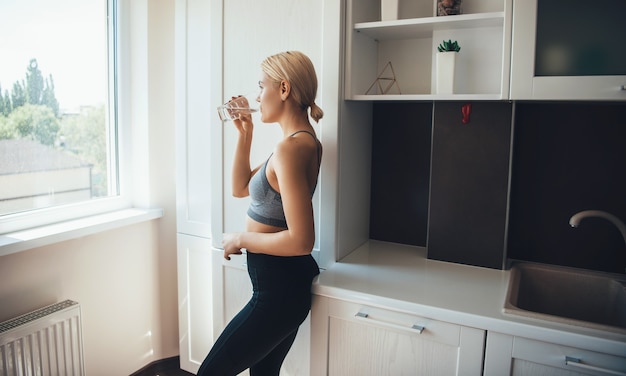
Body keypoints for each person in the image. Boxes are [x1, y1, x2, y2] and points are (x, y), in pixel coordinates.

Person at [197, 51, 323, 376]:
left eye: (261, 85)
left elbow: (301, 240)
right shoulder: (297, 143)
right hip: (281, 288)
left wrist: (241, 238)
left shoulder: (290, 148)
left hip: (278, 291)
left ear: (283, 89)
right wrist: (245, 133)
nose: (256, 96)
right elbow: (240, 187)